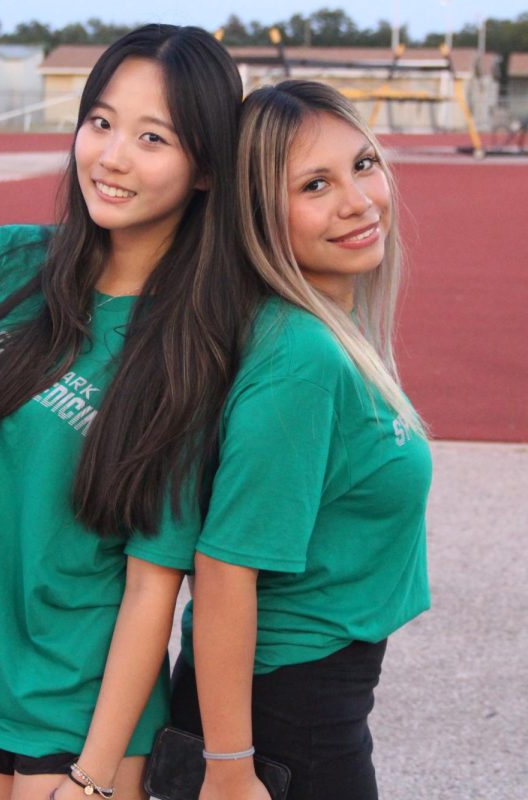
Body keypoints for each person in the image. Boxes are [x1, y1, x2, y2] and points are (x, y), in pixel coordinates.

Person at [0, 25, 260, 800]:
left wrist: (91, 779)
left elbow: (156, 584)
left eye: (154, 138)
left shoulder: (192, 349)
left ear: (208, 170)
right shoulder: (0, 264)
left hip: (87, 715)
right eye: (102, 121)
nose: (111, 156)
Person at [168, 81, 433, 800]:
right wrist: (229, 769)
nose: (359, 200)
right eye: (316, 184)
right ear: (257, 215)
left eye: (365, 164)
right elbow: (224, 569)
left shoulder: (319, 330)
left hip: (299, 696)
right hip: (284, 712)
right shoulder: (301, 358)